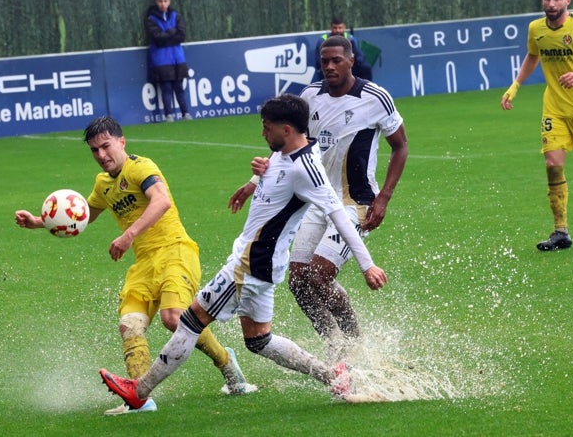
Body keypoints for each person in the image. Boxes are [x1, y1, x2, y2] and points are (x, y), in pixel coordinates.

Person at [100, 94, 389, 408]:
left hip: (248, 267)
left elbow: (337, 214)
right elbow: (278, 169)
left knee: (190, 322)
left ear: (288, 130)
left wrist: (367, 265)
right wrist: (254, 180)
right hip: (262, 266)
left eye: (267, 128)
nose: (263, 133)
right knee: (258, 340)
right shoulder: (285, 149)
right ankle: (333, 376)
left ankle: (139, 391)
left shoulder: (307, 169)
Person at [15, 116, 254, 416]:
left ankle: (226, 362)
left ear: (121, 142)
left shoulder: (141, 167)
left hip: (175, 251)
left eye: (106, 146)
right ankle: (139, 398)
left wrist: (128, 235)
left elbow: (161, 201)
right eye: (94, 150)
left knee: (174, 318)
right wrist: (38, 222)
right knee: (130, 326)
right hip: (144, 265)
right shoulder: (102, 184)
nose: (101, 155)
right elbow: (84, 214)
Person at [230, 35, 408, 360]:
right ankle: (334, 344)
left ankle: (354, 343)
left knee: (320, 273)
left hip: (357, 202)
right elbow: (292, 145)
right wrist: (256, 179)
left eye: (336, 60)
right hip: (319, 200)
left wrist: (384, 198)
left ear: (351, 61)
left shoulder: (375, 97)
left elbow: (401, 145)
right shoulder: (310, 95)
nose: (329, 66)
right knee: (298, 280)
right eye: (324, 61)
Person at [501, 0, 573, 251]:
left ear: (568, 0)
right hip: (555, 108)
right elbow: (532, 57)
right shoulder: (536, 28)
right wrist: (515, 86)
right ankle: (561, 232)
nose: (551, 3)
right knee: (552, 165)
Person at [145, 0, 192, 122]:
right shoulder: (151, 19)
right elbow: (157, 39)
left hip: (177, 58)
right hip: (161, 60)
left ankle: (186, 114)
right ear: (156, 2)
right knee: (166, 89)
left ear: (169, 1)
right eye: (160, 1)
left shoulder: (176, 15)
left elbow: (182, 35)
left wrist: (167, 35)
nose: (163, 4)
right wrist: (172, 32)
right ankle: (169, 115)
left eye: (165, 1)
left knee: (179, 88)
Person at [314, 14, 372, 81]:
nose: (337, 30)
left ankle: (366, 88)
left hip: (347, 67)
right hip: (330, 67)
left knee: (366, 68)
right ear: (331, 28)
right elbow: (318, 61)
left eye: (340, 28)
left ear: (344, 27)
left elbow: (359, 57)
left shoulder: (350, 39)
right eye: (335, 28)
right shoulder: (323, 40)